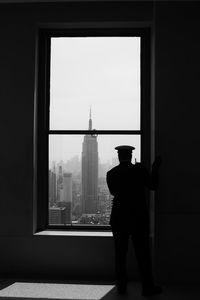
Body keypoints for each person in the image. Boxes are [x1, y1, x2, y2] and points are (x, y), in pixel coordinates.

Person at [106, 145, 162, 296]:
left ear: (119, 156)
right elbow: (153, 186)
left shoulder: (111, 173)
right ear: (131, 156)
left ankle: (121, 286)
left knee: (120, 253)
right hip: (138, 218)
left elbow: (113, 192)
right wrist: (154, 168)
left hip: (119, 218)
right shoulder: (139, 170)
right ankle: (147, 287)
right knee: (143, 254)